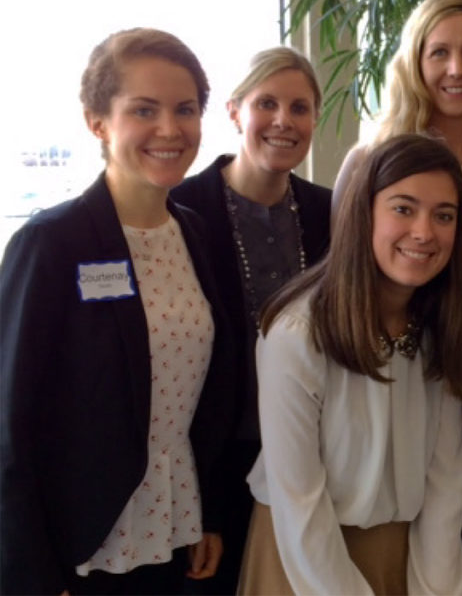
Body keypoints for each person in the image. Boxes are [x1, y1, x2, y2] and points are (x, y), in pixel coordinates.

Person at [0, 28, 234, 594]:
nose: (170, 130)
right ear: (97, 122)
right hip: (81, 545)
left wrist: (209, 512)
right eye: (144, 110)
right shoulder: (53, 243)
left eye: (185, 110)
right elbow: (9, 426)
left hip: (173, 524)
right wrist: (31, 573)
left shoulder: (194, 232)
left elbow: (204, 396)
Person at [238, 133, 462, 594]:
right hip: (305, 561)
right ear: (363, 212)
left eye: (444, 216)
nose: (424, 232)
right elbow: (299, 501)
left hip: (405, 553)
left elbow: (445, 481)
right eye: (403, 208)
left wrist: (437, 589)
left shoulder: (438, 328)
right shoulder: (297, 334)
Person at [170, 46, 331, 593]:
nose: (285, 121)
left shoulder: (330, 212)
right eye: (268, 103)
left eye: (300, 108)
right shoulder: (181, 210)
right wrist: (204, 505)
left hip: (310, 456)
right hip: (212, 462)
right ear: (235, 112)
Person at [332, 0, 462, 322]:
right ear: (415, 63)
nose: (457, 69)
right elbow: (345, 282)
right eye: (440, 52)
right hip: (387, 366)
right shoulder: (367, 162)